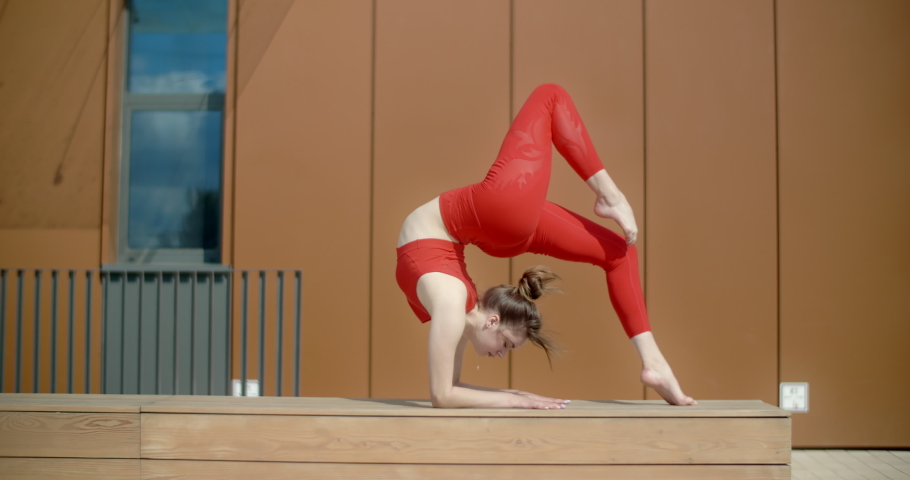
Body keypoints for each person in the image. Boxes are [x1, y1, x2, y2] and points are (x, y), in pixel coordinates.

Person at [396, 84, 696, 409]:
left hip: (496, 212)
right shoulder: (457, 308)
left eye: (507, 345)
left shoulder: (453, 305)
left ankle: (655, 362)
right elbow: (446, 393)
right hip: (492, 223)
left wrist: (516, 399)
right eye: (509, 346)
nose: (502, 353)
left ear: (493, 321)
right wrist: (518, 398)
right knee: (618, 254)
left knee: (550, 97)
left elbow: (444, 395)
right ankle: (654, 363)